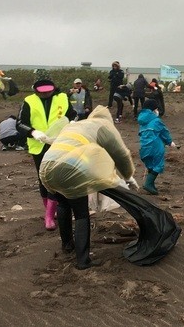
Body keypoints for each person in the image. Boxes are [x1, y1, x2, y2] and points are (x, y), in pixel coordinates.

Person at [39, 106, 139, 270]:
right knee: (81, 214)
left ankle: (67, 245)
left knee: (63, 204)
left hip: (47, 166)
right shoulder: (103, 128)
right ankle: (83, 261)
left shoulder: (75, 126)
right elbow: (120, 154)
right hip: (68, 168)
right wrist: (128, 177)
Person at [16, 79, 77, 230]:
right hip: (39, 144)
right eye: (41, 92)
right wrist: (33, 132)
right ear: (36, 91)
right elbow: (19, 123)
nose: (45, 94)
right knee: (43, 178)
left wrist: (73, 123)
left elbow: (73, 114)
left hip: (59, 143)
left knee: (55, 177)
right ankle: (49, 210)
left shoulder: (62, 97)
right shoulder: (29, 101)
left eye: (48, 91)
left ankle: (49, 215)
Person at [137, 99, 177, 194]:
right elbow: (164, 132)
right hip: (155, 147)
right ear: (153, 110)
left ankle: (151, 185)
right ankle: (148, 184)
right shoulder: (156, 121)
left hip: (143, 147)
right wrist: (170, 142)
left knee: (150, 165)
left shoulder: (142, 122)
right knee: (158, 165)